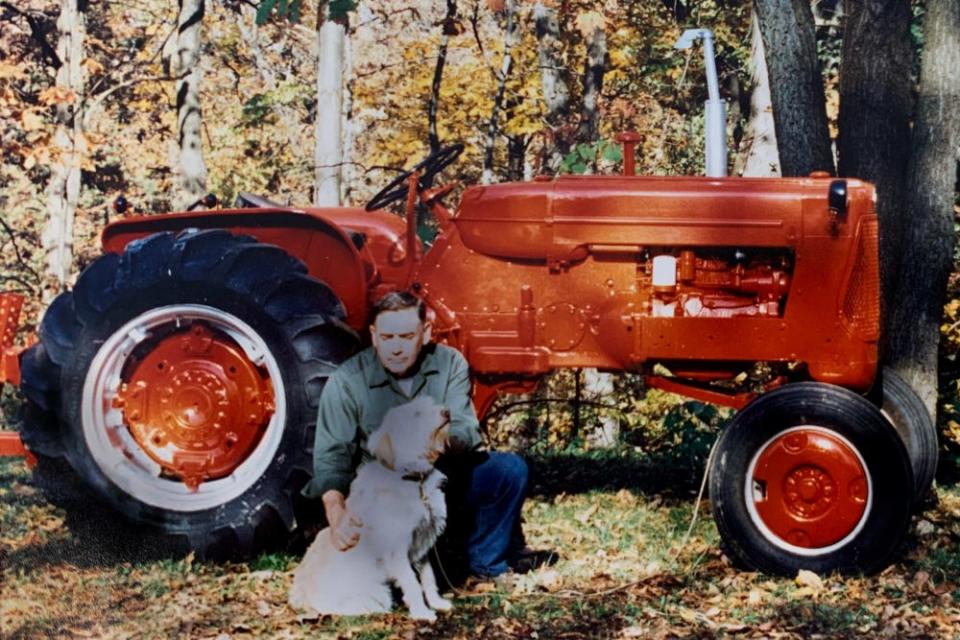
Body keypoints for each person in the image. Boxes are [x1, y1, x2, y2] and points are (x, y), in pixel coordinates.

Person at [302, 291, 550, 583]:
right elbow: (332, 458)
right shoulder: (347, 380)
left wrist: (434, 445)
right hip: (380, 492)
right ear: (373, 335)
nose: (396, 348)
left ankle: (486, 564)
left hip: (439, 474)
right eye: (387, 337)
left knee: (508, 471)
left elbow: (465, 430)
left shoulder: (449, 364)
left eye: (406, 336)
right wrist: (335, 511)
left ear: (427, 333)